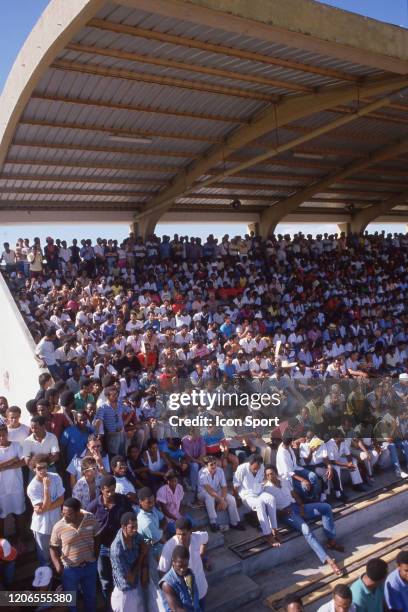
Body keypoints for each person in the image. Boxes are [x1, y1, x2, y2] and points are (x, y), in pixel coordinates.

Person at [263, 465, 344, 576]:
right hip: (287, 513)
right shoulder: (267, 489)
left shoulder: (284, 481)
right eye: (267, 475)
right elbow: (271, 511)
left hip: (297, 507)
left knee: (326, 507)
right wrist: (282, 512)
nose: (270, 476)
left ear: (276, 473)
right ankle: (328, 560)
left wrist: (301, 506)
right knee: (306, 530)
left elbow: (294, 494)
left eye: (271, 473)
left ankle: (331, 541)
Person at [87, 474, 133, 606]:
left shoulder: (123, 501)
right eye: (108, 491)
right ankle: (110, 606)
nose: (111, 493)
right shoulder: (93, 506)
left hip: (121, 547)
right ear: (101, 489)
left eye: (113, 490)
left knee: (121, 577)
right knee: (106, 581)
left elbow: (131, 519)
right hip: (102, 548)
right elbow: (87, 527)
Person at [50, 497, 99, 612]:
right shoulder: (58, 526)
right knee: (71, 602)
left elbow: (97, 535)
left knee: (90, 598)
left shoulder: (90, 518)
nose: (64, 517)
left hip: (89, 566)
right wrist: (58, 566)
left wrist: (95, 555)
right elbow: (53, 547)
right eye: (63, 513)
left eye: (69, 514)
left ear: (78, 512)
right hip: (70, 570)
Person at [158, 517, 209, 608]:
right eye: (178, 534)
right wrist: (172, 592)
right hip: (183, 594)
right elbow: (162, 571)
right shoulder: (169, 546)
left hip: (200, 586)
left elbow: (206, 538)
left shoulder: (197, 537)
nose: (181, 537)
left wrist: (201, 554)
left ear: (191, 531)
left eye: (184, 534)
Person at [233, 454, 280, 547]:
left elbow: (262, 479)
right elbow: (235, 485)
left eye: (258, 468)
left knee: (271, 499)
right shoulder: (241, 469)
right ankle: (267, 534)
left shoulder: (261, 466)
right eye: (255, 468)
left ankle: (274, 528)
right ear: (250, 464)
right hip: (247, 496)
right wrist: (236, 499)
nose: (257, 470)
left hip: (259, 492)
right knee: (260, 503)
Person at [27, 454, 65, 565]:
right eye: (39, 468)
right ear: (34, 469)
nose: (43, 470)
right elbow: (48, 505)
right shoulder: (32, 487)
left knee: (59, 554)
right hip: (41, 528)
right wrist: (46, 488)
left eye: (45, 467)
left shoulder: (56, 477)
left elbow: (61, 500)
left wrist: (44, 508)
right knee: (45, 559)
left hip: (56, 523)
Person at [110, 512, 149, 612]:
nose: (135, 529)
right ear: (123, 527)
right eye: (132, 527)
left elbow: (145, 545)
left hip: (136, 586)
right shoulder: (117, 550)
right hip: (125, 592)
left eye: (136, 526)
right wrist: (141, 556)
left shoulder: (135, 535)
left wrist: (145, 568)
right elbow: (130, 579)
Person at [198, 456, 244, 533]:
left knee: (231, 499)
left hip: (216, 492)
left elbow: (224, 487)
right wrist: (221, 501)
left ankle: (234, 522)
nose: (214, 466)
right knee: (210, 497)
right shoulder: (202, 473)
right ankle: (213, 522)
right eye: (211, 464)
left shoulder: (220, 470)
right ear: (206, 466)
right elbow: (209, 490)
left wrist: (222, 499)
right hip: (203, 493)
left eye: (215, 463)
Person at [0, 426, 26, 548]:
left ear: (7, 433)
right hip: (1, 490)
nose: (1, 438)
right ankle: (2, 545)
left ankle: (21, 540)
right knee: (1, 517)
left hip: (16, 487)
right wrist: (12, 460)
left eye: (3, 434)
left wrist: (5, 467)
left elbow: (24, 461)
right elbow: (17, 460)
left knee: (19, 514)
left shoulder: (16, 445)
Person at [276, 432, 320, 502]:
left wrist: (298, 440)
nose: (293, 443)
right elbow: (289, 473)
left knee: (313, 476)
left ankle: (313, 496)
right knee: (304, 486)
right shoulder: (282, 455)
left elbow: (292, 441)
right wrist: (303, 480)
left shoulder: (285, 444)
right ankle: (308, 500)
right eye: (292, 442)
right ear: (290, 443)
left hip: (296, 468)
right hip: (288, 477)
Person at [159, 545, 202, 612]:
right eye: (180, 566)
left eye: (185, 565)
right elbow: (176, 609)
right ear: (173, 562)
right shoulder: (167, 584)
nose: (182, 569)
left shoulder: (189, 574)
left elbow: (194, 601)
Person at [156, 470, 186, 535]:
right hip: (168, 518)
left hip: (178, 514)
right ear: (168, 481)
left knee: (191, 523)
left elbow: (181, 503)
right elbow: (164, 511)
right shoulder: (161, 491)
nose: (174, 483)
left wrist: (181, 515)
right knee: (179, 531)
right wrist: (176, 519)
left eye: (176, 481)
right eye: (172, 481)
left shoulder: (180, 487)